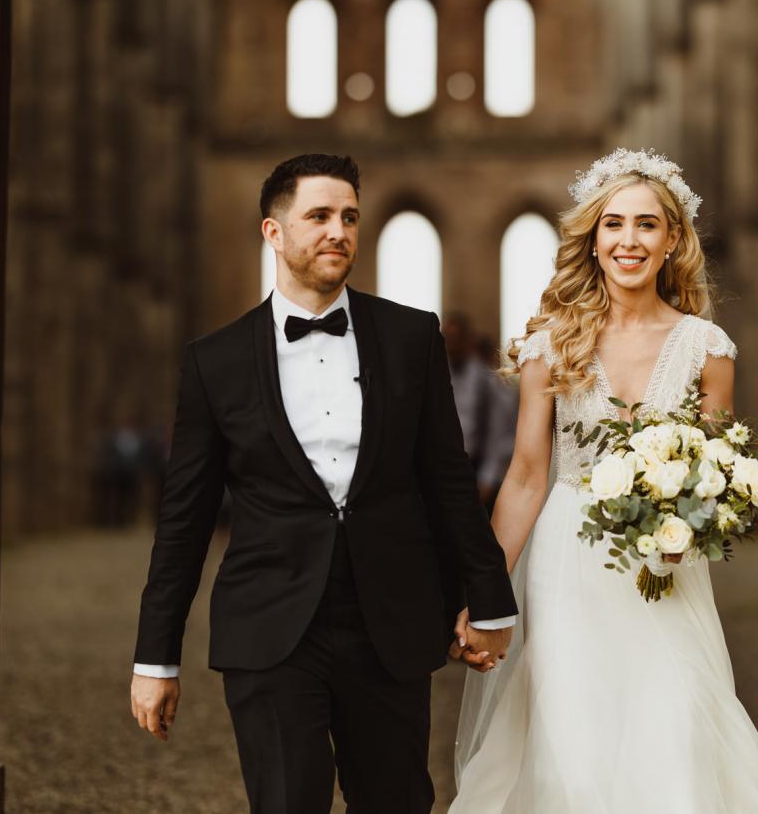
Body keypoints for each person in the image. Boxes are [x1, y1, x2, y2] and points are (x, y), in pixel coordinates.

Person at [128, 153, 517, 814]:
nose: (339, 230)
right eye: (319, 216)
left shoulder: (411, 338)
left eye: (349, 217)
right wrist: (154, 658)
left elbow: (447, 481)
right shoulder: (213, 362)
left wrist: (489, 601)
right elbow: (184, 519)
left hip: (389, 621)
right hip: (270, 625)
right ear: (272, 232)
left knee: (395, 802)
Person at [449, 149, 758, 812]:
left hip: (665, 570)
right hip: (567, 563)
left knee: (675, 727)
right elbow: (524, 477)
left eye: (646, 225)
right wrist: (484, 593)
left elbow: (715, 475)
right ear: (593, 240)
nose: (628, 240)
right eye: (613, 225)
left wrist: (683, 530)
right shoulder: (551, 345)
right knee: (569, 740)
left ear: (672, 242)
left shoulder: (707, 348)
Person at [442, 313, 518, 509]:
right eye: (448, 339)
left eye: (456, 339)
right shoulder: (437, 375)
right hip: (444, 469)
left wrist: (488, 478)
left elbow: (497, 432)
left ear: (468, 339)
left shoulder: (486, 379)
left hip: (476, 468)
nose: (452, 345)